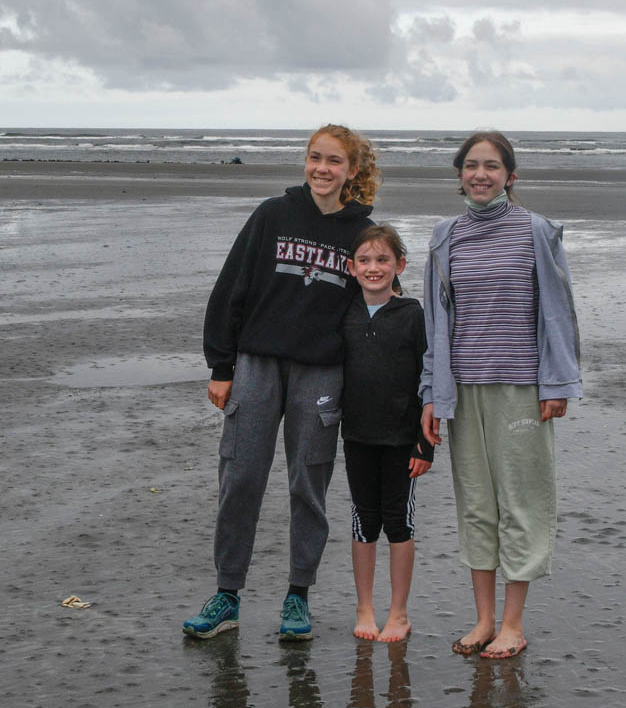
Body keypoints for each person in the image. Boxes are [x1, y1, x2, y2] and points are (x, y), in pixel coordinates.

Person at [183, 125, 380, 640]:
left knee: (307, 484)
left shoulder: (362, 234)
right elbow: (232, 288)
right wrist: (220, 366)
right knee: (241, 476)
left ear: (352, 171)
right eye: (315, 157)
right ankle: (227, 595)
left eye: (334, 161)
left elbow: (369, 313)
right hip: (256, 364)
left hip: (321, 372)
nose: (322, 168)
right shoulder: (272, 214)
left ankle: (298, 596)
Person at [420, 131, 582, 659]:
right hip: (462, 391)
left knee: (522, 503)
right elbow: (434, 325)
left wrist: (557, 383)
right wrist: (430, 394)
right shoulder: (445, 237)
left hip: (521, 389)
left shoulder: (536, 231)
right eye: (471, 165)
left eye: (492, 166)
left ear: (511, 176)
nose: (480, 175)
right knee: (476, 506)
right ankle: (484, 619)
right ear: (459, 175)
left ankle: (513, 623)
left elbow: (560, 311)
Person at [342, 224, 433, 642]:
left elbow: (428, 379)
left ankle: (398, 612)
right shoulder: (345, 313)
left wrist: (425, 443)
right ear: (351, 267)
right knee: (364, 522)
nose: (373, 267)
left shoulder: (414, 314)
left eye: (382, 260)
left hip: (402, 441)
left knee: (399, 523)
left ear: (400, 265)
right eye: (364, 260)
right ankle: (365, 608)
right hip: (357, 436)